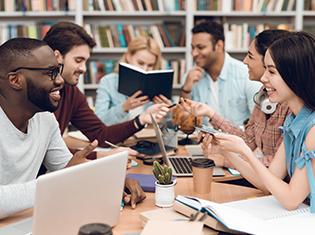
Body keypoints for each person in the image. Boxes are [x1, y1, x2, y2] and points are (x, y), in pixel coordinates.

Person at [42, 22, 169, 208]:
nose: (84, 68)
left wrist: (140, 120)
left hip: (55, 180)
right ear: (57, 57)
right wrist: (104, 158)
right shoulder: (36, 96)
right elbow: (49, 157)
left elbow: (100, 135)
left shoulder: (71, 93)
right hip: (44, 186)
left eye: (86, 61)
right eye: (78, 60)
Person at [203, 32, 315, 212]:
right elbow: (269, 182)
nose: (263, 78)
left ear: (294, 75)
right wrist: (228, 152)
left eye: (271, 71)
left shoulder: (312, 129)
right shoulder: (293, 120)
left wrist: (245, 152)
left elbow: (291, 199)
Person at [0, 38, 98, 219]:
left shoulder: (45, 119)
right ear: (15, 80)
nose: (61, 80)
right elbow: (65, 178)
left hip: (24, 222)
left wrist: (114, 182)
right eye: (51, 73)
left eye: (58, 70)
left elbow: (67, 169)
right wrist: (62, 179)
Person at [181, 30, 291, 166]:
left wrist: (226, 161)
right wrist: (211, 116)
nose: (244, 61)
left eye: (250, 56)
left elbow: (278, 165)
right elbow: (248, 141)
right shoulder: (264, 93)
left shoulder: (291, 103)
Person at [180, 20, 261, 126]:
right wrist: (186, 91)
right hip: (201, 142)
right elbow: (185, 125)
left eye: (200, 47)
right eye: (192, 47)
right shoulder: (190, 78)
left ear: (219, 45)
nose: (194, 53)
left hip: (238, 140)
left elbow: (258, 124)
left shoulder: (246, 75)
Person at [95, 36, 169, 125]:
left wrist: (169, 111)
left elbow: (169, 127)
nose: (145, 69)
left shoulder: (158, 83)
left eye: (150, 65)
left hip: (148, 137)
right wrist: (123, 108)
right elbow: (99, 122)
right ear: (128, 57)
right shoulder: (108, 82)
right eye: (140, 63)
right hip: (120, 137)